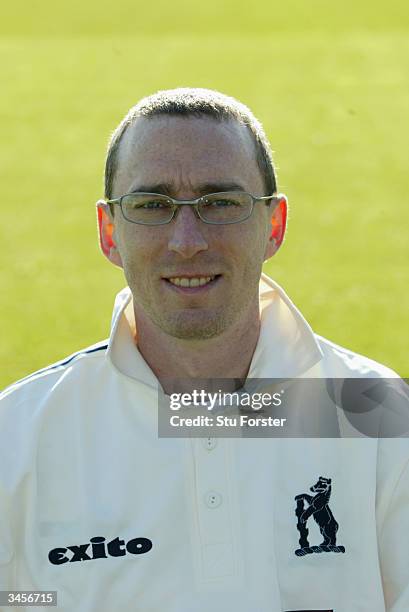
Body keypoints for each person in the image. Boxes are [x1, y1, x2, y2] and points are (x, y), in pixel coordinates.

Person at [0, 88, 408, 612]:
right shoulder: (16, 437)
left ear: (274, 226)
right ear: (109, 232)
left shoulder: (378, 417)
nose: (187, 240)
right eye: (152, 206)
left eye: (221, 203)